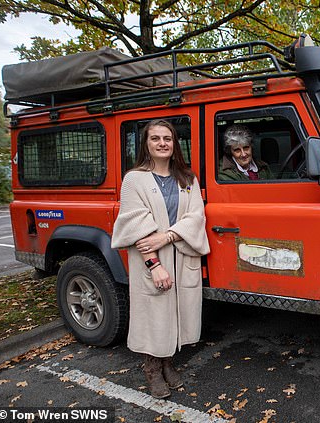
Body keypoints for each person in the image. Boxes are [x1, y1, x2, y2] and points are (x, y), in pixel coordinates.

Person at [111, 119, 210, 399]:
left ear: (174, 144)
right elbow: (136, 226)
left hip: (180, 256)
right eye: (155, 139)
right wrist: (154, 265)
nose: (162, 143)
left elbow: (196, 217)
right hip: (150, 259)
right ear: (146, 144)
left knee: (176, 313)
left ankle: (168, 363)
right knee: (154, 316)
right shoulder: (134, 179)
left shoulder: (188, 179)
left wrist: (167, 237)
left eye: (167, 138)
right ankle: (152, 369)